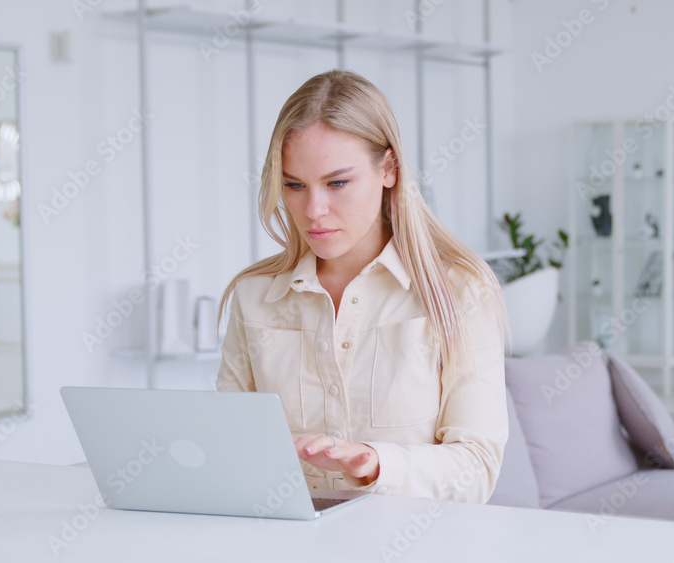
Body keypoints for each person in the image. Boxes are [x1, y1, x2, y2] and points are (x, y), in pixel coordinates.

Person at [216, 69, 507, 503]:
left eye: (337, 183)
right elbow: (230, 450)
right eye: (294, 186)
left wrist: (376, 464)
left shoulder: (460, 291)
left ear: (389, 169)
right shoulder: (254, 297)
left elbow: (477, 468)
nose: (313, 210)